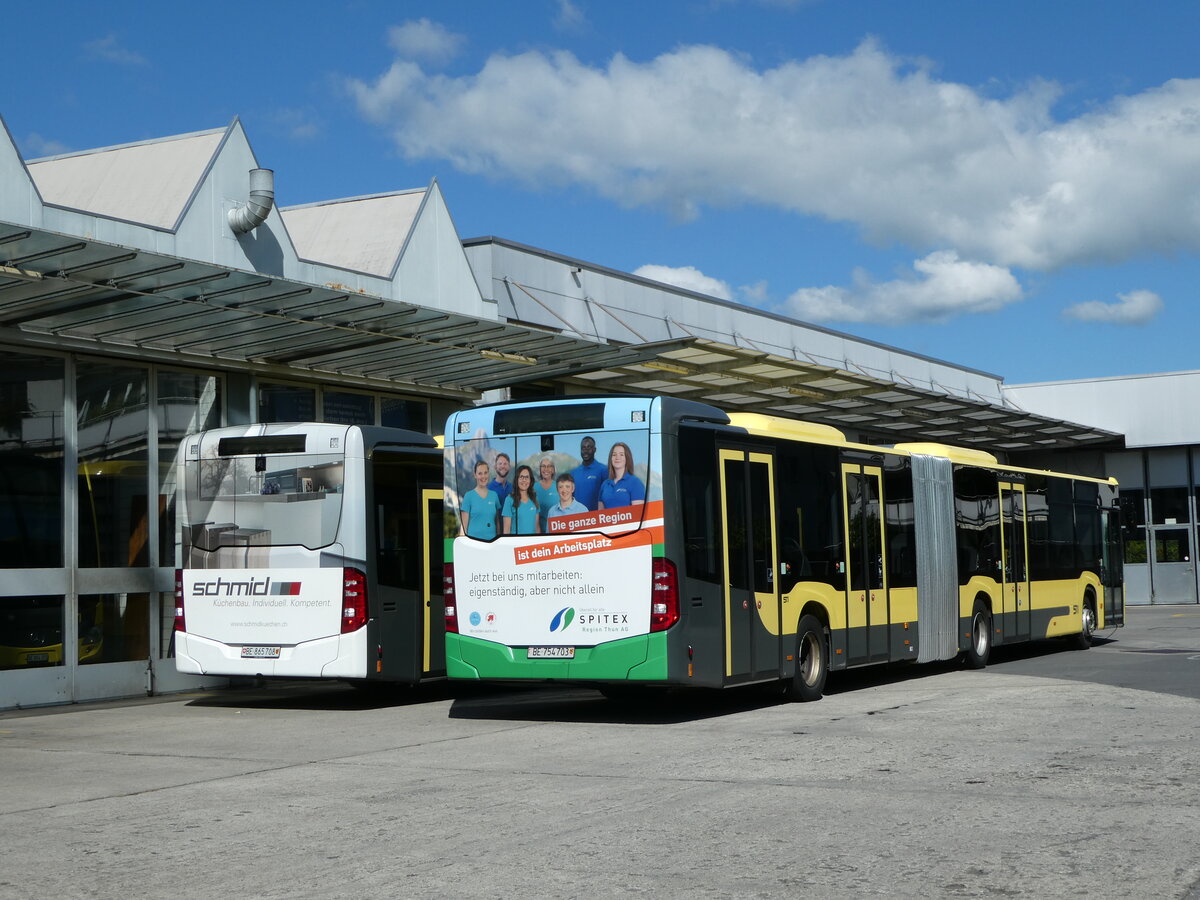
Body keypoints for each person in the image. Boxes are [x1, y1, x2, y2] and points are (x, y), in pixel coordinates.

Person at [460, 460, 501, 540]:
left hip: (492, 543)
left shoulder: (494, 495)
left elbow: (497, 523)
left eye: (485, 473)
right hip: (474, 543)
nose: (483, 476)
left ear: (488, 474)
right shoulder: (468, 496)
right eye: (480, 473)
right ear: (475, 475)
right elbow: (463, 526)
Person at [597, 441, 646, 509]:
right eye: (614, 455)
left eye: (621, 454)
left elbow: (638, 513)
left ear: (627, 458)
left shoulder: (635, 483)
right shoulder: (605, 484)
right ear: (610, 459)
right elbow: (600, 514)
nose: (617, 457)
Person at [569, 435, 606, 511]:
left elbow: (607, 496)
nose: (585, 451)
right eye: (583, 448)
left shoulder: (603, 470)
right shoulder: (573, 473)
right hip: (578, 518)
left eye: (588, 447)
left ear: (594, 449)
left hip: (597, 518)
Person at [502, 465, 541, 535]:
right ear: (517, 479)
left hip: (532, 544)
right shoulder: (509, 500)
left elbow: (537, 527)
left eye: (527, 477)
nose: (524, 480)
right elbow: (506, 530)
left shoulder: (535, 498)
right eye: (521, 477)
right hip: (516, 544)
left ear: (530, 480)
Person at [534, 456, 558, 531]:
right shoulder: (533, 488)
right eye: (543, 466)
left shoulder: (559, 486)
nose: (546, 469)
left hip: (556, 530)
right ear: (540, 469)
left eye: (549, 466)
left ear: (553, 470)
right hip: (538, 530)